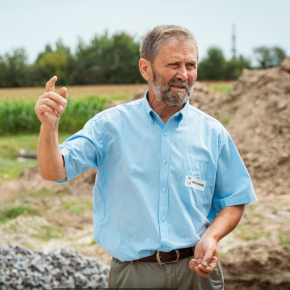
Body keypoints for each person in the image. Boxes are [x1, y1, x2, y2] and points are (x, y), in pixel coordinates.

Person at [35, 25, 257, 290]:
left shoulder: (213, 133)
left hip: (196, 274)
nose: (183, 75)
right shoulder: (109, 126)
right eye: (173, 64)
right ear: (145, 68)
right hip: (134, 275)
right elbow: (54, 171)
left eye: (190, 65)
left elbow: (235, 199)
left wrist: (211, 237)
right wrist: (49, 126)